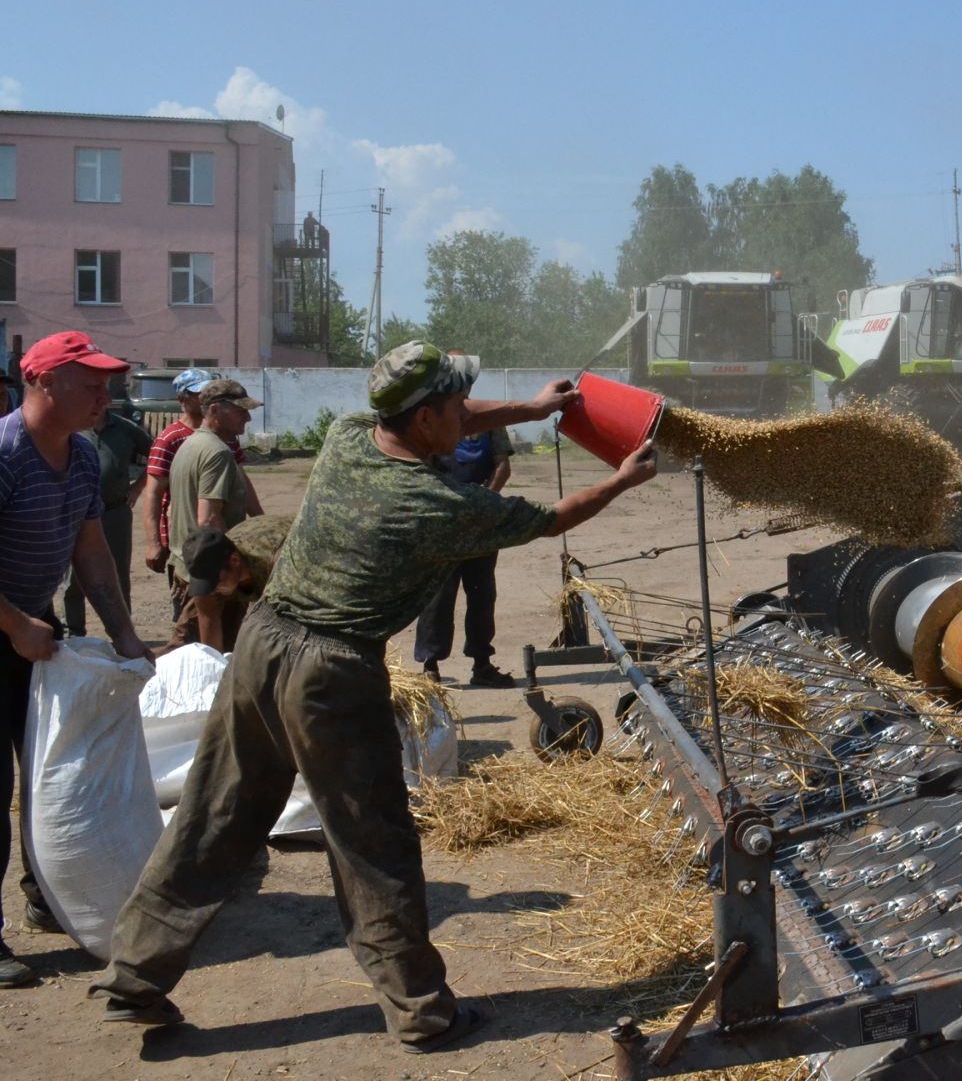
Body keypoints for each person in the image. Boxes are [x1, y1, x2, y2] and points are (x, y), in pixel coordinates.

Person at [95, 341, 657, 1051]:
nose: (465, 415)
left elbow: (460, 416)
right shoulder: (436, 504)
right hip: (329, 674)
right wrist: (624, 480)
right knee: (374, 841)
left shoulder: (345, 437)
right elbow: (554, 519)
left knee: (215, 813)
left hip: (261, 644)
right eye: (455, 408)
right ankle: (422, 1009)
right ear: (426, 420)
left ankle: (132, 977)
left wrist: (536, 409)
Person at [0, 332, 152, 990]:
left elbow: (91, 551)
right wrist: (14, 624)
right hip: (13, 629)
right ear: (43, 382)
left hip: (33, 638)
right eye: (90, 383)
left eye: (107, 383)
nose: (105, 395)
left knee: (49, 772)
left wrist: (124, 631)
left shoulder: (85, 457)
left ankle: (45, 894)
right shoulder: (4, 453)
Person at [412, 364, 514, 685]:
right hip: (443, 522)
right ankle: (430, 666)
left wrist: (483, 501)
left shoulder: (490, 422)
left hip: (481, 524)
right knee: (438, 596)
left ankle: (481, 665)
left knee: (482, 594)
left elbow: (503, 466)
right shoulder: (429, 418)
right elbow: (421, 467)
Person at [144, 369, 262, 616]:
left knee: (193, 646)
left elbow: (241, 481)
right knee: (210, 648)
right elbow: (207, 519)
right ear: (216, 411)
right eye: (240, 410)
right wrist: (235, 567)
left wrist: (261, 521)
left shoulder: (194, 442)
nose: (248, 417)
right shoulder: (210, 450)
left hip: (190, 564)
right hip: (209, 571)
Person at [60, 387, 152, 636]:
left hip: (114, 512)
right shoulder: (72, 427)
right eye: (91, 396)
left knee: (118, 574)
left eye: (102, 398)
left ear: (109, 401)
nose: (97, 403)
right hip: (76, 513)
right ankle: (74, 632)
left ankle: (122, 634)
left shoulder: (125, 429)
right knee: (72, 580)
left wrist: (138, 488)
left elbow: (157, 456)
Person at [176, 514, 292, 652]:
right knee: (190, 634)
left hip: (304, 555)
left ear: (235, 561)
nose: (212, 590)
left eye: (215, 582)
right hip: (247, 565)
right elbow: (208, 621)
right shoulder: (209, 566)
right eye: (205, 584)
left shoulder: (281, 564)